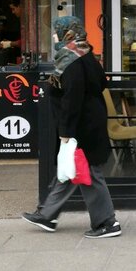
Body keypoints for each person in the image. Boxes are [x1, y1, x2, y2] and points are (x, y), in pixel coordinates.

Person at [22, 15, 121, 238]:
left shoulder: (72, 60)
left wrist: (66, 132)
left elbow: (72, 99)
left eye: (57, 31)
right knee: (69, 168)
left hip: (81, 125)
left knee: (88, 172)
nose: (54, 36)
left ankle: (107, 222)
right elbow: (99, 83)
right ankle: (47, 215)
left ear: (66, 33)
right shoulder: (86, 54)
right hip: (89, 120)